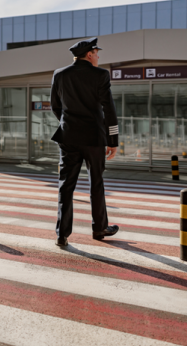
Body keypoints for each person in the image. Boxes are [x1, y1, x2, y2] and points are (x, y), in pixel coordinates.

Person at [50, 37, 119, 247]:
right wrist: (112, 140)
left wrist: (68, 124)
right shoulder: (101, 75)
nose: (98, 56)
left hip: (68, 138)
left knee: (66, 185)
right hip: (94, 138)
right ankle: (99, 229)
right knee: (96, 183)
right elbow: (109, 108)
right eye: (97, 53)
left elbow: (55, 105)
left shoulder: (60, 74)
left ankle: (62, 234)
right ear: (89, 54)